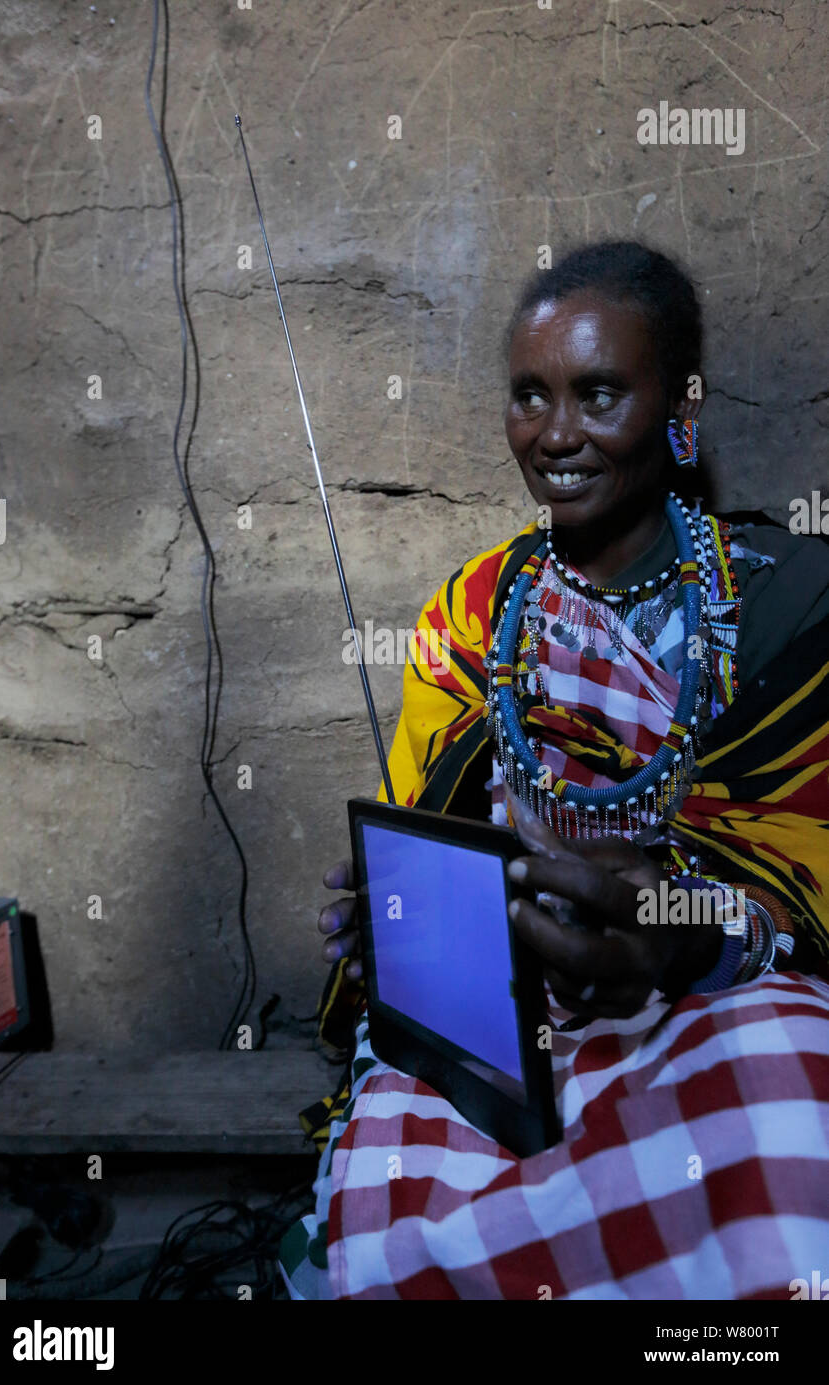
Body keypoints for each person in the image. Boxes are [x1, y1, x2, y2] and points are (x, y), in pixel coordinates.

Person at [279, 241, 829, 1300]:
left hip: (709, 993)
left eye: (599, 393)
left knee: (783, 1135)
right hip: (492, 1006)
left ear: (680, 404)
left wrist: (672, 929)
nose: (555, 434)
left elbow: (803, 862)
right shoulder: (474, 612)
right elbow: (425, 822)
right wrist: (391, 914)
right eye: (529, 395)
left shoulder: (786, 603)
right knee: (403, 1199)